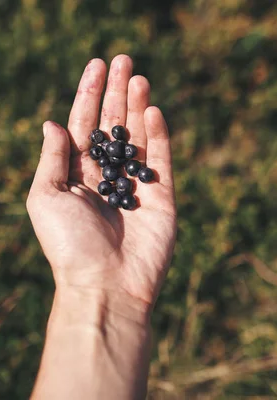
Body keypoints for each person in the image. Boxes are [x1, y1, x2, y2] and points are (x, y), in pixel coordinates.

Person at [26, 54, 177, 400]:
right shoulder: (112, 162)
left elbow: (128, 170)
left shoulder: (120, 167)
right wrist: (103, 290)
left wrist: (101, 295)